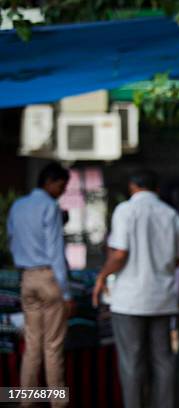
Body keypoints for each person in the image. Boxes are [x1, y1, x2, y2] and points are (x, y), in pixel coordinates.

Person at [92, 170, 179, 408]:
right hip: (162, 299)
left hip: (130, 301)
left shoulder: (125, 210)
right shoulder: (171, 214)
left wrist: (102, 276)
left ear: (132, 186)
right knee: (163, 361)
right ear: (156, 189)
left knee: (131, 363)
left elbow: (120, 253)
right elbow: (178, 259)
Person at [7, 162, 73, 406]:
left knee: (32, 345)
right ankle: (57, 403)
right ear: (49, 181)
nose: (62, 191)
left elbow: (12, 240)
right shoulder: (49, 206)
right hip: (48, 278)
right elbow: (55, 251)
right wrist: (66, 293)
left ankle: (27, 402)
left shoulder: (18, 206)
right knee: (53, 346)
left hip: (27, 278)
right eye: (61, 186)